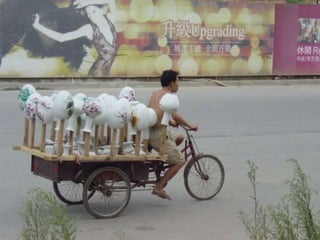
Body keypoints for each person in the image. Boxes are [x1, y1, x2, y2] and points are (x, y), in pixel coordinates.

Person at [148, 70, 198, 200]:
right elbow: (174, 114)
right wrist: (189, 125)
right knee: (180, 161)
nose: (178, 84)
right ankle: (159, 187)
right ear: (171, 83)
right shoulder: (168, 97)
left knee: (180, 137)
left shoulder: (156, 94)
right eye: (177, 81)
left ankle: (166, 159)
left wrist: (169, 121)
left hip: (155, 132)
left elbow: (155, 112)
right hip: (159, 136)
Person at [32, 0, 117, 77]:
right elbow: (62, 37)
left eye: (94, 12)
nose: (91, 16)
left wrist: (86, 2)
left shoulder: (110, 20)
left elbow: (111, 1)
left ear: (101, 11)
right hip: (97, 72)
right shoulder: (89, 29)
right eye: (88, 14)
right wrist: (38, 26)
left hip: (107, 70)